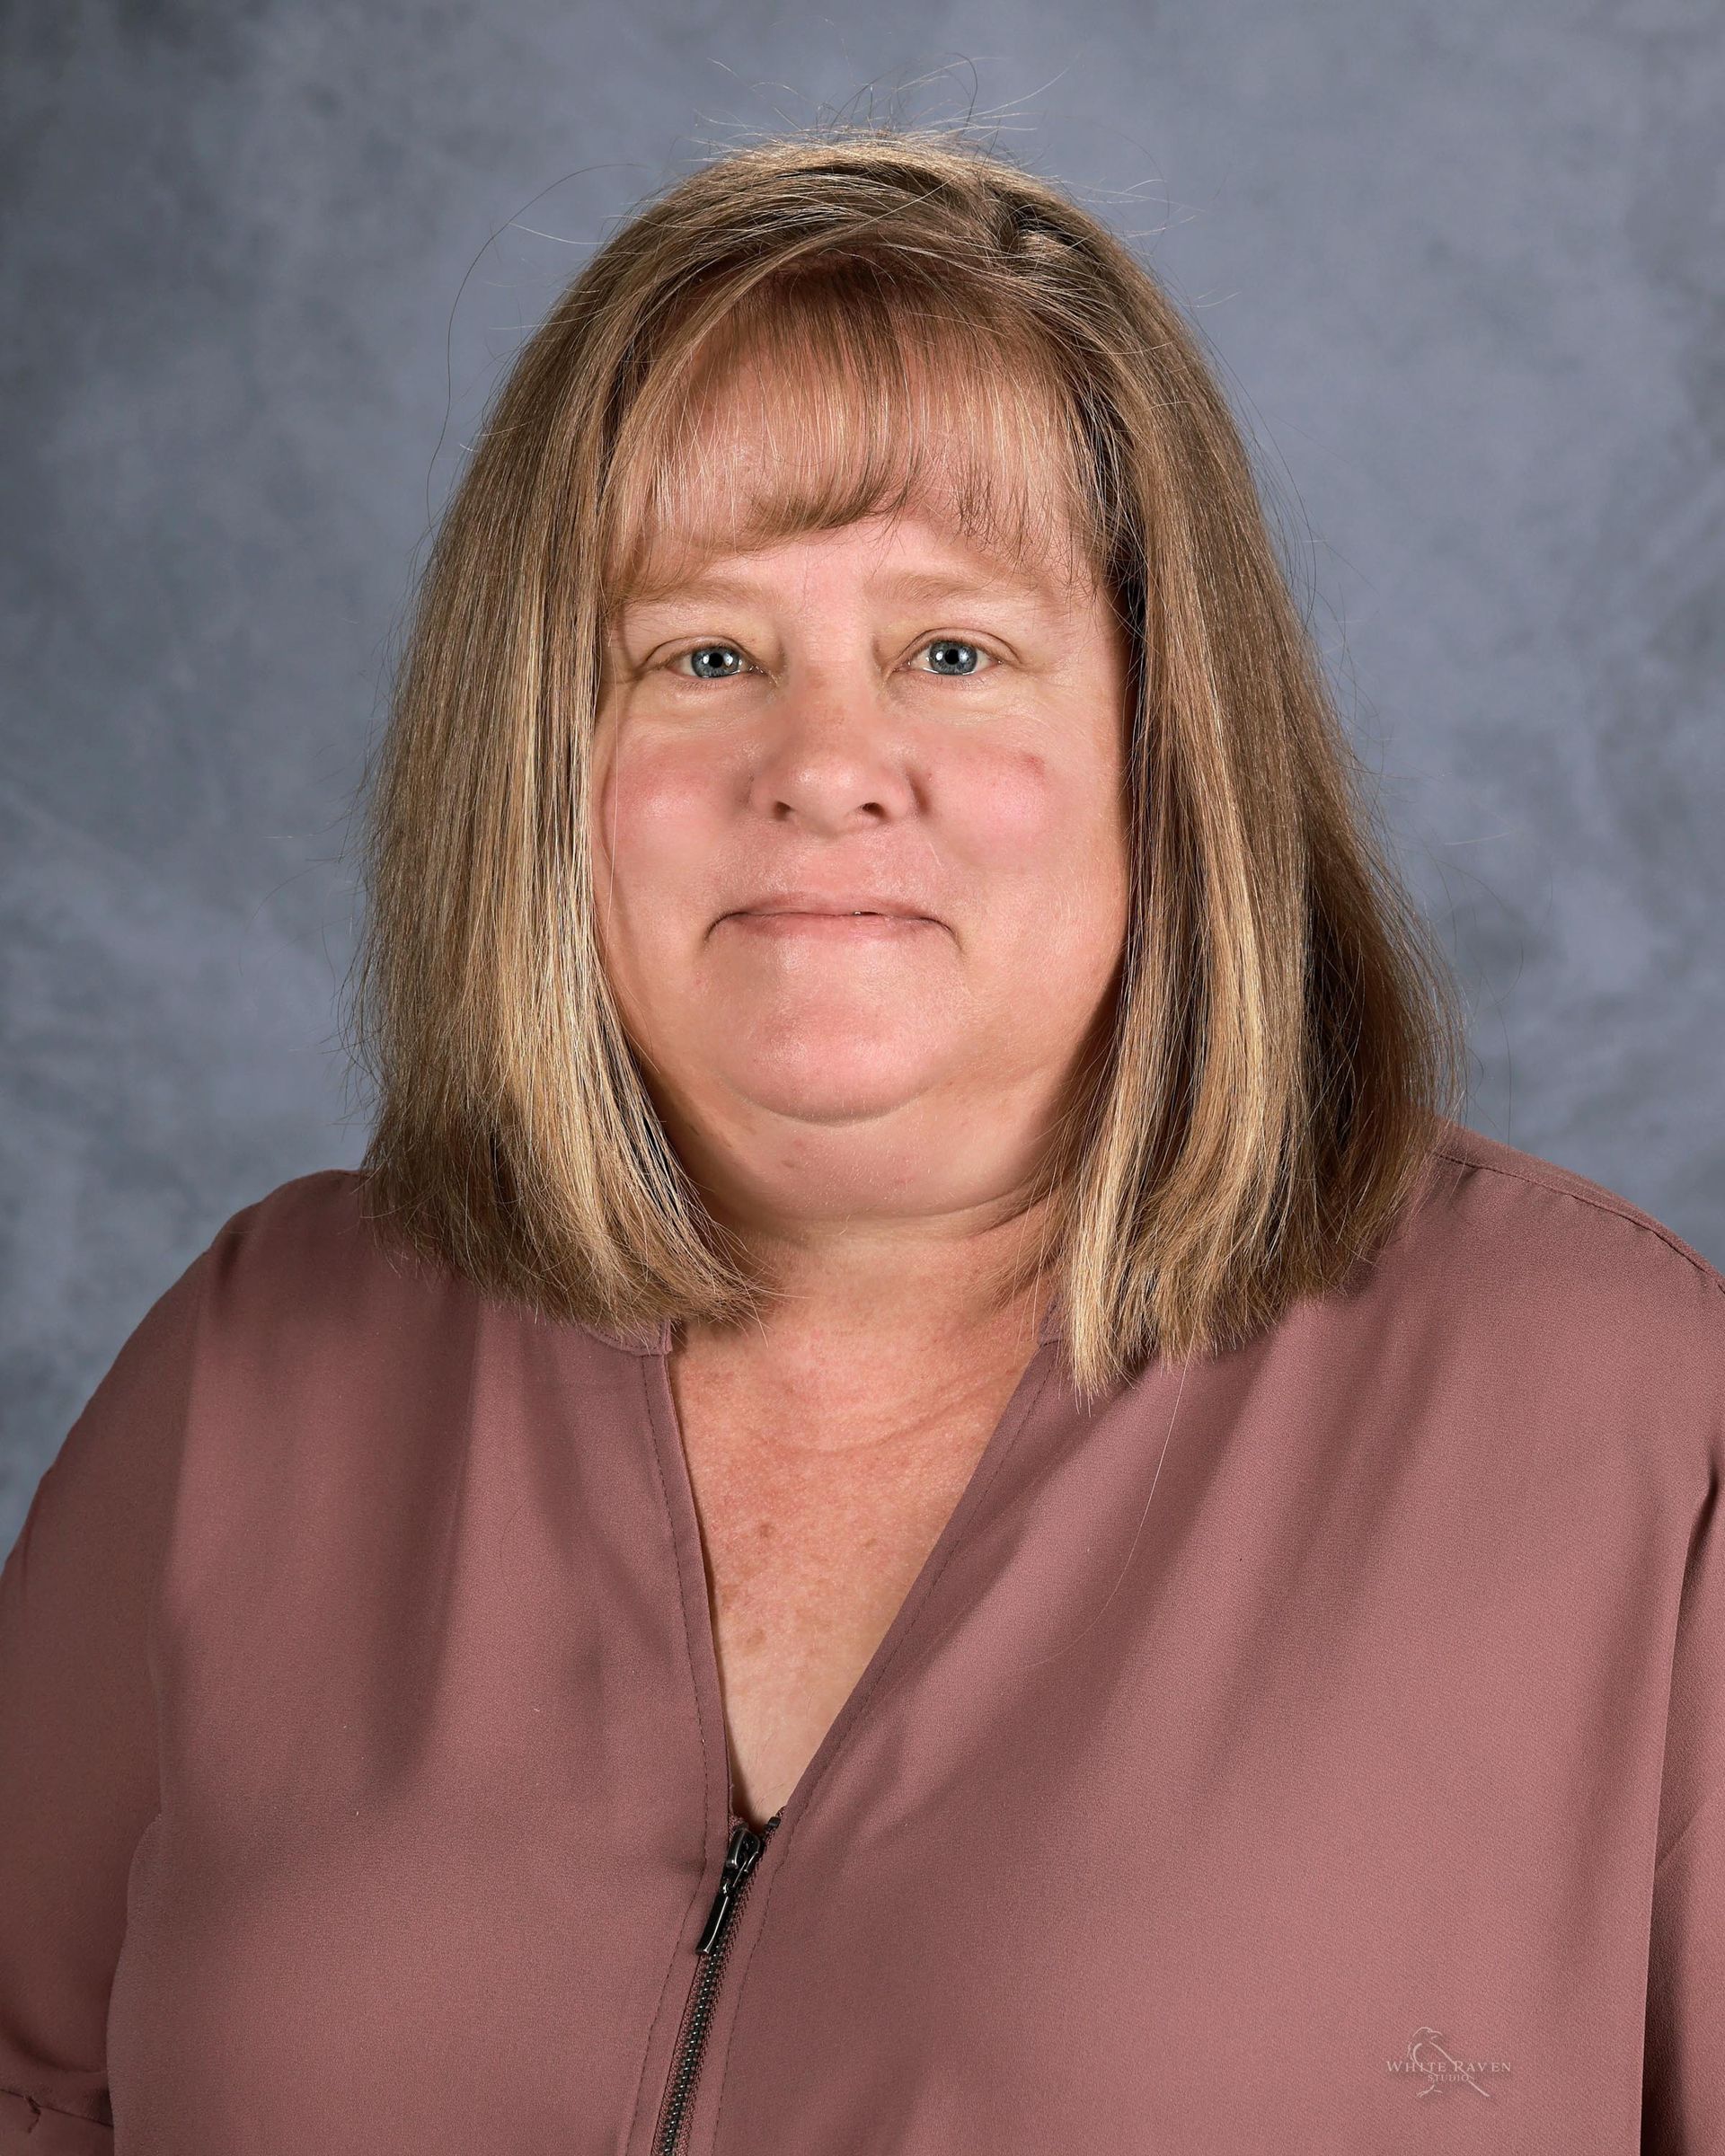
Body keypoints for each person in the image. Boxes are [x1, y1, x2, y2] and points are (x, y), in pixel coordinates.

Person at [2, 125, 1720, 2156]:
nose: (826, 768)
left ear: (1165, 742)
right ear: (541, 759)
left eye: (954, 652)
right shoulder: (257, 1366)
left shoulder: (1617, 1412)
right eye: (703, 654)